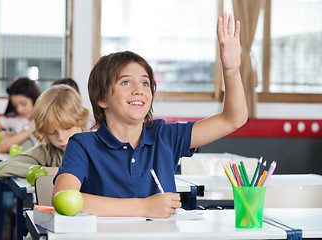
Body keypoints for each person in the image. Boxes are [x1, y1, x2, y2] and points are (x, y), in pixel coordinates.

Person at [53, 12, 248, 218]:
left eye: (145, 83)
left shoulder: (165, 137)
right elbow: (63, 197)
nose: (139, 89)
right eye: (126, 82)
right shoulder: (83, 145)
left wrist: (232, 71)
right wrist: (144, 207)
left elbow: (233, 119)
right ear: (101, 99)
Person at [0, 84, 89, 180]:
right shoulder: (47, 151)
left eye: (67, 128)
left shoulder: (96, 146)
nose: (61, 137)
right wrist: (46, 171)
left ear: (81, 120)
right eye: (52, 132)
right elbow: (0, 168)